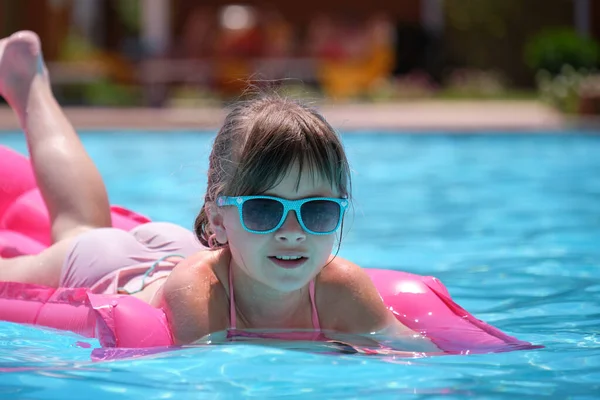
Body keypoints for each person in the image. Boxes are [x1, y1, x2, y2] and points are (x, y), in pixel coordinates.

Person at [0, 31, 438, 352]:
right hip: (114, 266)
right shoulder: (199, 291)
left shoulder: (342, 285)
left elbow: (421, 356)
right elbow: (213, 374)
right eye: (264, 210)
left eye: (317, 211)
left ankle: (24, 80)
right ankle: (27, 83)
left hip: (181, 246)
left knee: (80, 219)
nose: (292, 231)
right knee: (78, 229)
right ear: (217, 219)